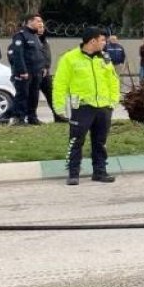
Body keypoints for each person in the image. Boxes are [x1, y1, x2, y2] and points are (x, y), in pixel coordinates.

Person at [53, 27, 121, 186]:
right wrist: (59, 106)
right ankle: (73, 173)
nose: (105, 43)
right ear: (92, 41)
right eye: (102, 40)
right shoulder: (69, 58)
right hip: (82, 107)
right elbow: (60, 83)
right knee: (76, 141)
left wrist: (113, 101)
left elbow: (113, 80)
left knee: (100, 142)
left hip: (103, 107)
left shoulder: (104, 58)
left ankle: (100, 172)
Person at [2, 15, 46, 125]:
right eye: (38, 21)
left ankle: (32, 117)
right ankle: (19, 118)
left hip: (37, 72)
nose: (40, 23)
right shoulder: (20, 35)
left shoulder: (35, 36)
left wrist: (43, 67)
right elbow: (18, 55)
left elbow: (39, 54)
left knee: (34, 95)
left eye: (41, 21)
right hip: (26, 73)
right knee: (23, 95)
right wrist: (22, 71)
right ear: (30, 22)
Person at [36, 23, 69, 123]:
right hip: (34, 72)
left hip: (45, 73)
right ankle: (31, 117)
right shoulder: (28, 39)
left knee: (52, 94)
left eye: (42, 27)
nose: (41, 29)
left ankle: (58, 116)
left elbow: (47, 55)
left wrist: (46, 66)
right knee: (31, 97)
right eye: (39, 27)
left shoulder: (44, 40)